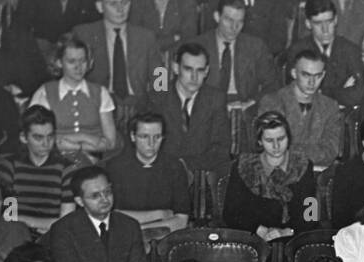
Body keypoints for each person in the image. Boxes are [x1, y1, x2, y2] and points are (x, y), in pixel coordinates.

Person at [45, 165, 147, 262]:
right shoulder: (63, 230)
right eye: (95, 196)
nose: (104, 199)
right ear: (80, 201)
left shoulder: (129, 226)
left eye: (107, 192)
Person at [222, 109, 320, 239]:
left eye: (281, 139)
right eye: (269, 140)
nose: (276, 146)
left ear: (288, 137)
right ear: (260, 142)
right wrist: (259, 230)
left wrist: (287, 232)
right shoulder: (244, 167)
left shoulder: (302, 166)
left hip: (294, 237)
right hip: (253, 237)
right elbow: (230, 213)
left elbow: (311, 214)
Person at [142, 42, 230, 176]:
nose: (194, 77)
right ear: (176, 68)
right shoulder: (157, 98)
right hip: (161, 174)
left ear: (206, 71)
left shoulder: (216, 99)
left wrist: (185, 166)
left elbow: (220, 148)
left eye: (200, 70)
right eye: (188, 69)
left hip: (200, 174)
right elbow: (146, 144)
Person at [101, 111, 189, 238]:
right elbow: (113, 217)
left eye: (157, 137)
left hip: (163, 238)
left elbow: (181, 221)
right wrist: (160, 214)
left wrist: (141, 228)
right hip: (124, 238)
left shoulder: (174, 167)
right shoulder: (115, 167)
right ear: (133, 136)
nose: (151, 143)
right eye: (144, 137)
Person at [28, 35, 116, 157]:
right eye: (71, 61)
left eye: (83, 61)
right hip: (56, 158)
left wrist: (69, 142)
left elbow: (110, 142)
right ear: (59, 62)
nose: (78, 67)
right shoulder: (45, 92)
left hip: (95, 160)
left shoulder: (100, 92)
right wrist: (83, 139)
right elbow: (38, 140)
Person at [255, 49, 341, 170]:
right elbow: (273, 147)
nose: (312, 82)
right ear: (294, 73)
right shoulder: (272, 102)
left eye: (318, 76)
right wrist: (310, 151)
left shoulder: (330, 106)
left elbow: (330, 150)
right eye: (306, 75)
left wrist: (291, 149)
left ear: (323, 75)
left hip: (317, 174)